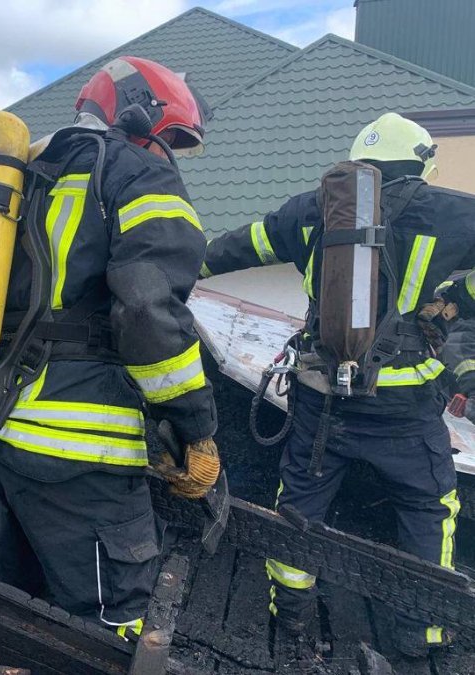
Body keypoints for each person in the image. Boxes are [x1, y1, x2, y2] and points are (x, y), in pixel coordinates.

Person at [0, 57, 219, 638]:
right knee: (109, 626)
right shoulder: (137, 174)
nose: (170, 154)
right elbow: (149, 315)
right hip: (84, 450)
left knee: (21, 604)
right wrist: (194, 428)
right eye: (172, 139)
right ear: (144, 116)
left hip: (3, 428)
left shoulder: (28, 173)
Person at [201, 113, 473, 656]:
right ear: (420, 162)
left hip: (322, 396)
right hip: (404, 404)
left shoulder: (311, 207)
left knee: (300, 503)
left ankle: (291, 617)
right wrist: (456, 303)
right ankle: (422, 633)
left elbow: (236, 248)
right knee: (429, 506)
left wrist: (173, 270)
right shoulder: (454, 212)